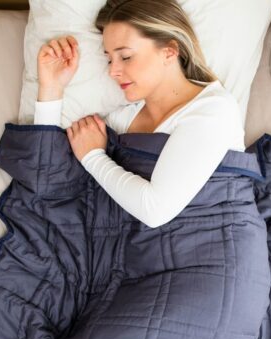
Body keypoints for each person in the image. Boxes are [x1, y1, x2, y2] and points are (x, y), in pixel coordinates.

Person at [33, 0, 245, 228]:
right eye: (108, 59)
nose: (113, 71)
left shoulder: (212, 109)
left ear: (169, 51)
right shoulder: (123, 119)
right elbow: (48, 175)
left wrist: (94, 157)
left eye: (125, 57)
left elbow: (155, 210)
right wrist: (51, 87)